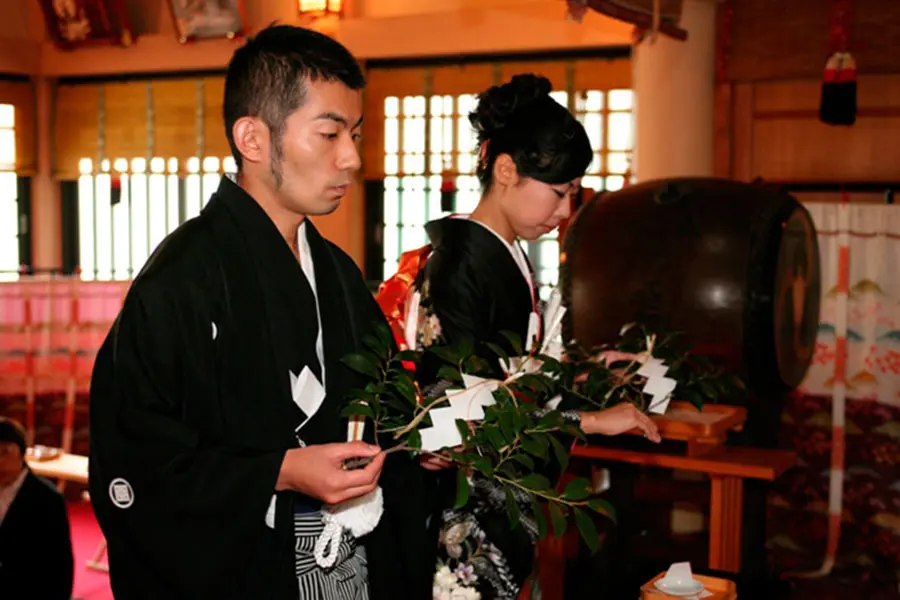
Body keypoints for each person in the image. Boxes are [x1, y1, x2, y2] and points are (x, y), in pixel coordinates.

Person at [89, 25, 433, 600]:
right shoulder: (184, 279)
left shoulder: (339, 274)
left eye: (355, 133)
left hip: (344, 565)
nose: (351, 157)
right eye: (328, 134)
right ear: (252, 137)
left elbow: (379, 405)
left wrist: (419, 444)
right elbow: (137, 465)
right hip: (246, 572)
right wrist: (280, 471)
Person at [380, 74, 661, 599]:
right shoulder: (460, 265)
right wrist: (590, 420)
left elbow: (515, 374)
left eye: (573, 194)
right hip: (458, 506)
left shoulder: (506, 256)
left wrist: (588, 367)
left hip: (498, 496)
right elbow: (455, 407)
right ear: (505, 169)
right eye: (558, 192)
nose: (564, 213)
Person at [0, 417, 74, 600]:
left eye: (4, 452)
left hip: (29, 590)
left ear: (22, 453)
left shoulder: (48, 499)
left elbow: (61, 564)